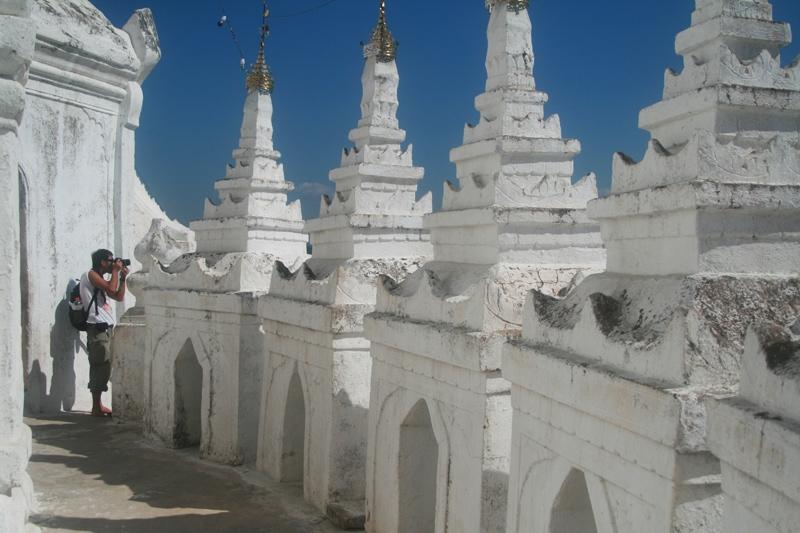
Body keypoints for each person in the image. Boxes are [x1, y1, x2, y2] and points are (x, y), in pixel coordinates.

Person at [80, 249, 128, 417]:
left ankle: (98, 405)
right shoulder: (90, 275)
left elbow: (118, 296)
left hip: (106, 327)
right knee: (100, 364)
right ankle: (96, 406)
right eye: (110, 261)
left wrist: (122, 278)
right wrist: (115, 272)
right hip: (97, 327)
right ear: (102, 262)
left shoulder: (101, 280)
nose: (113, 263)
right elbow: (110, 286)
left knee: (105, 365)